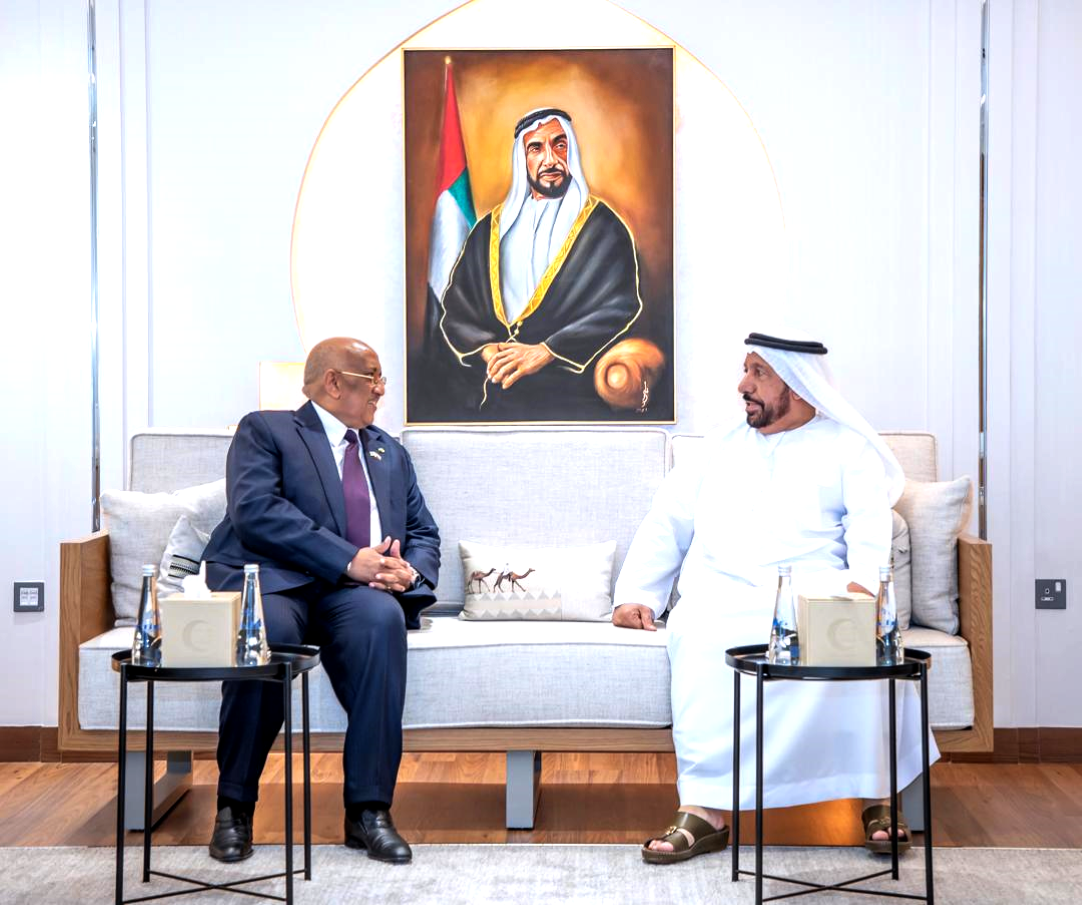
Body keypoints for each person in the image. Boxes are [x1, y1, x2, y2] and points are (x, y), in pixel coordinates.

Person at [613, 330, 937, 864]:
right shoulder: (716, 447)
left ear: (798, 383)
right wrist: (636, 595)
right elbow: (667, 522)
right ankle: (705, 811)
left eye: (757, 373)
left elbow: (869, 531)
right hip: (725, 592)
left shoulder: (846, 448)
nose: (743, 384)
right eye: (746, 370)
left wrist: (861, 592)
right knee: (698, 635)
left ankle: (879, 796)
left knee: (863, 638)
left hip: (817, 588)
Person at [202, 337, 440, 865]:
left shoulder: (388, 451)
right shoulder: (267, 430)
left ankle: (368, 811)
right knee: (265, 633)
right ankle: (234, 805)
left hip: (356, 593)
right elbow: (257, 511)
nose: (382, 388)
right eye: (372, 377)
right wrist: (348, 557)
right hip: (275, 578)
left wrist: (409, 572)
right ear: (334, 382)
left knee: (382, 623)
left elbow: (423, 530)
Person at [437, 107, 643, 420]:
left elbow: (620, 305)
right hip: (499, 399)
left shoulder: (604, 227)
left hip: (575, 399)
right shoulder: (488, 232)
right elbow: (457, 308)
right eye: (536, 148)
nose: (550, 159)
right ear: (522, 159)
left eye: (559, 145)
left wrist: (546, 351)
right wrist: (491, 352)